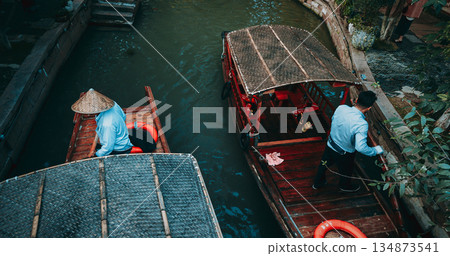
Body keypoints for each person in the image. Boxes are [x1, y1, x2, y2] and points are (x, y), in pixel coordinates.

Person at [312, 91, 384, 192]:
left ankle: (317, 183)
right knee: (346, 171)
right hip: (344, 153)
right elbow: (360, 147)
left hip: (330, 144)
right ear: (369, 108)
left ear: (357, 100)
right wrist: (375, 150)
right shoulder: (361, 124)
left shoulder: (341, 108)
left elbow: (334, 120)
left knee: (323, 165)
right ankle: (344, 186)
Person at [71, 88, 133, 157]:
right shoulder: (113, 104)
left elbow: (108, 148)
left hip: (120, 149)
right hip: (122, 138)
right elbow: (123, 116)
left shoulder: (106, 124)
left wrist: (96, 155)